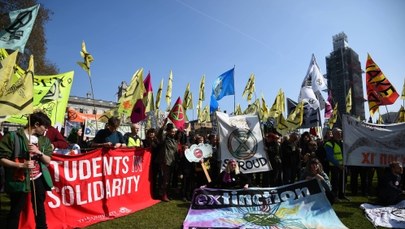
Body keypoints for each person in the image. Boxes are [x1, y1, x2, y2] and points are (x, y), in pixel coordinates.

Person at [0, 111, 54, 229]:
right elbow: (1, 159)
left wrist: (38, 152)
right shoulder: (12, 137)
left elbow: (48, 160)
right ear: (36, 124)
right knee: (16, 209)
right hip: (19, 179)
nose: (46, 130)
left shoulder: (44, 140)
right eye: (45, 127)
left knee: (39, 207)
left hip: (38, 178)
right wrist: (21, 166)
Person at [324, 127, 348, 201]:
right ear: (333, 134)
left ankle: (342, 195)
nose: (340, 135)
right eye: (338, 133)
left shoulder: (342, 143)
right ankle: (334, 196)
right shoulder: (329, 143)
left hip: (343, 166)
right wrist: (338, 165)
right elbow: (329, 156)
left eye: (340, 133)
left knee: (343, 181)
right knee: (335, 182)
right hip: (334, 166)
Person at [157, 120, 178, 202]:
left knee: (169, 179)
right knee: (165, 179)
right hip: (165, 161)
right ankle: (163, 194)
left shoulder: (174, 140)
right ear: (168, 131)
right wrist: (163, 125)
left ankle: (167, 193)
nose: (173, 133)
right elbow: (159, 135)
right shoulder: (165, 139)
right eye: (172, 132)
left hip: (172, 161)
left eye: (174, 132)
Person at [142, 128, 161, 199]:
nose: (151, 134)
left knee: (154, 178)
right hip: (146, 163)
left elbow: (158, 148)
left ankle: (153, 192)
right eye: (150, 132)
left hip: (155, 162)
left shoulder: (157, 142)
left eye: (153, 132)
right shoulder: (145, 141)